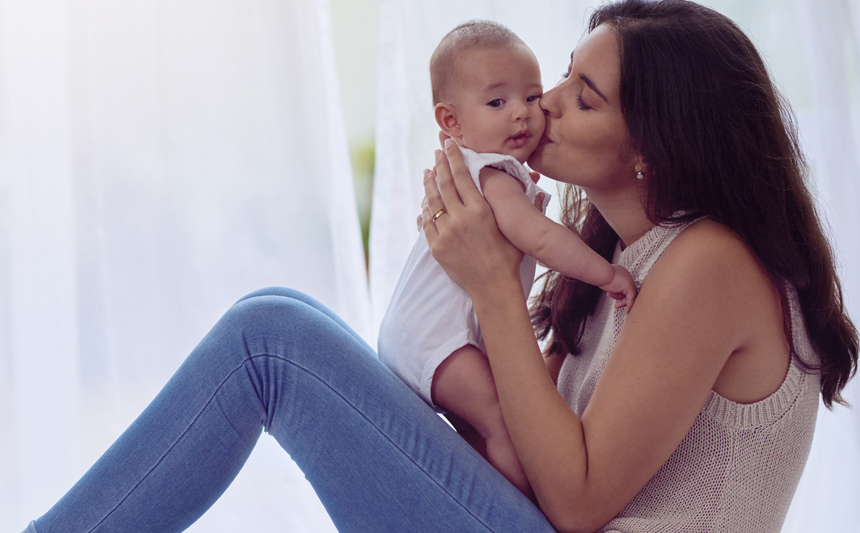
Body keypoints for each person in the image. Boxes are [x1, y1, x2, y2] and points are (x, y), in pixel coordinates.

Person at [21, 1, 858, 532]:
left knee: (268, 339)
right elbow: (530, 454)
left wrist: (493, 283)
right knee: (278, 309)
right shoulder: (611, 262)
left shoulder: (711, 261)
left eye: (583, 96)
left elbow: (576, 498)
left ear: (653, 148)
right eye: (562, 77)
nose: (544, 103)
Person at [377, 20, 636, 500]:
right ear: (451, 122)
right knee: (501, 423)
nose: (523, 114)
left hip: (428, 339)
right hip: (438, 340)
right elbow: (538, 237)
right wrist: (605, 274)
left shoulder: (481, 172)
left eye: (531, 97)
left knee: (481, 429)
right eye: (498, 103)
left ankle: (483, 502)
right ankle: (528, 509)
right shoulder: (493, 175)